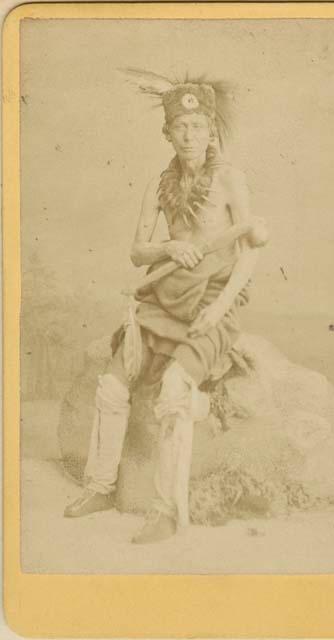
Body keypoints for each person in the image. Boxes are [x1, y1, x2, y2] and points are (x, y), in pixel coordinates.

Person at [64, 74, 269, 543]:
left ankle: (166, 511)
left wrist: (218, 309)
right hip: (162, 295)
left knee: (175, 392)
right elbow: (138, 251)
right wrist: (170, 249)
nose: (190, 135)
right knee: (112, 385)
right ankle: (99, 487)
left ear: (211, 131)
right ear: (168, 133)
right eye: (181, 126)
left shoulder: (230, 178)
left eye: (199, 125)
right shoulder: (160, 186)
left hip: (212, 299)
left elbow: (252, 248)